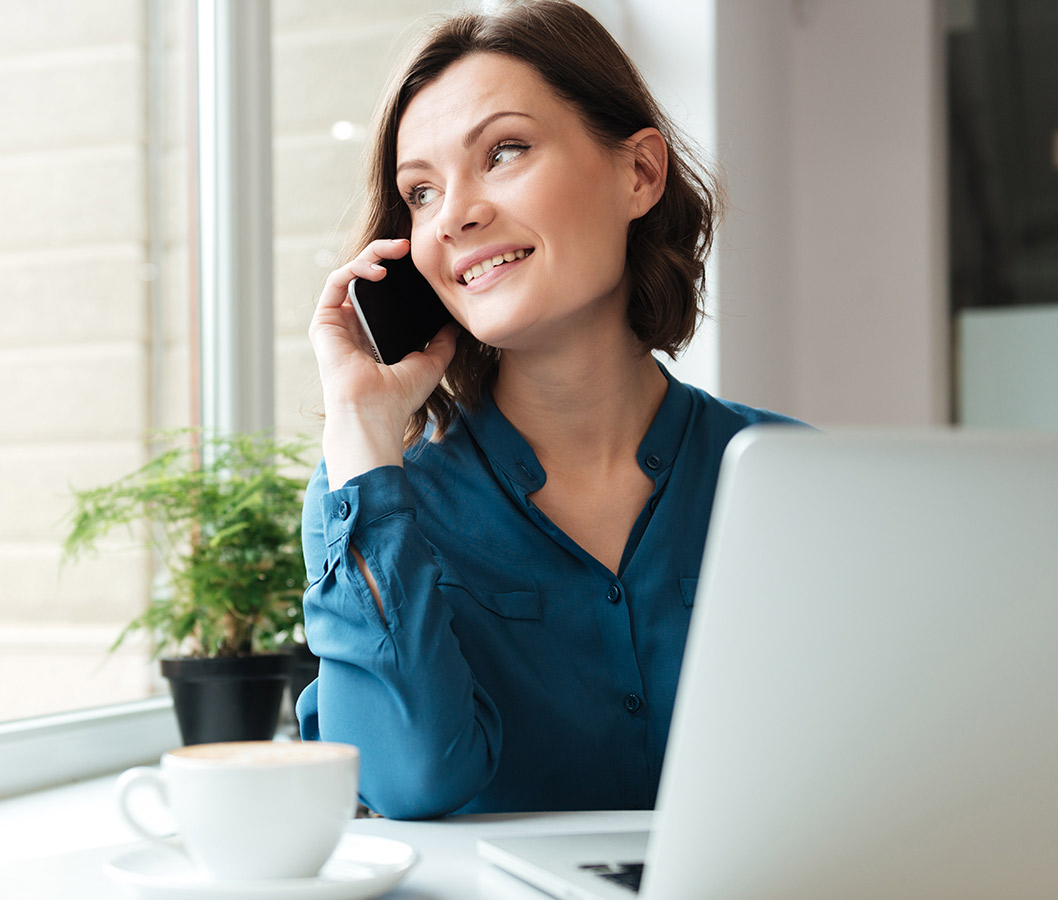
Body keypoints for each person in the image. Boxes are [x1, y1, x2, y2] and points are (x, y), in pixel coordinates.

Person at [297, 0, 804, 820]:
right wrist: (358, 421)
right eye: (419, 192)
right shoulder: (379, 505)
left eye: (504, 151)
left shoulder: (797, 480)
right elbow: (405, 782)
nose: (456, 213)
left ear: (639, 173)